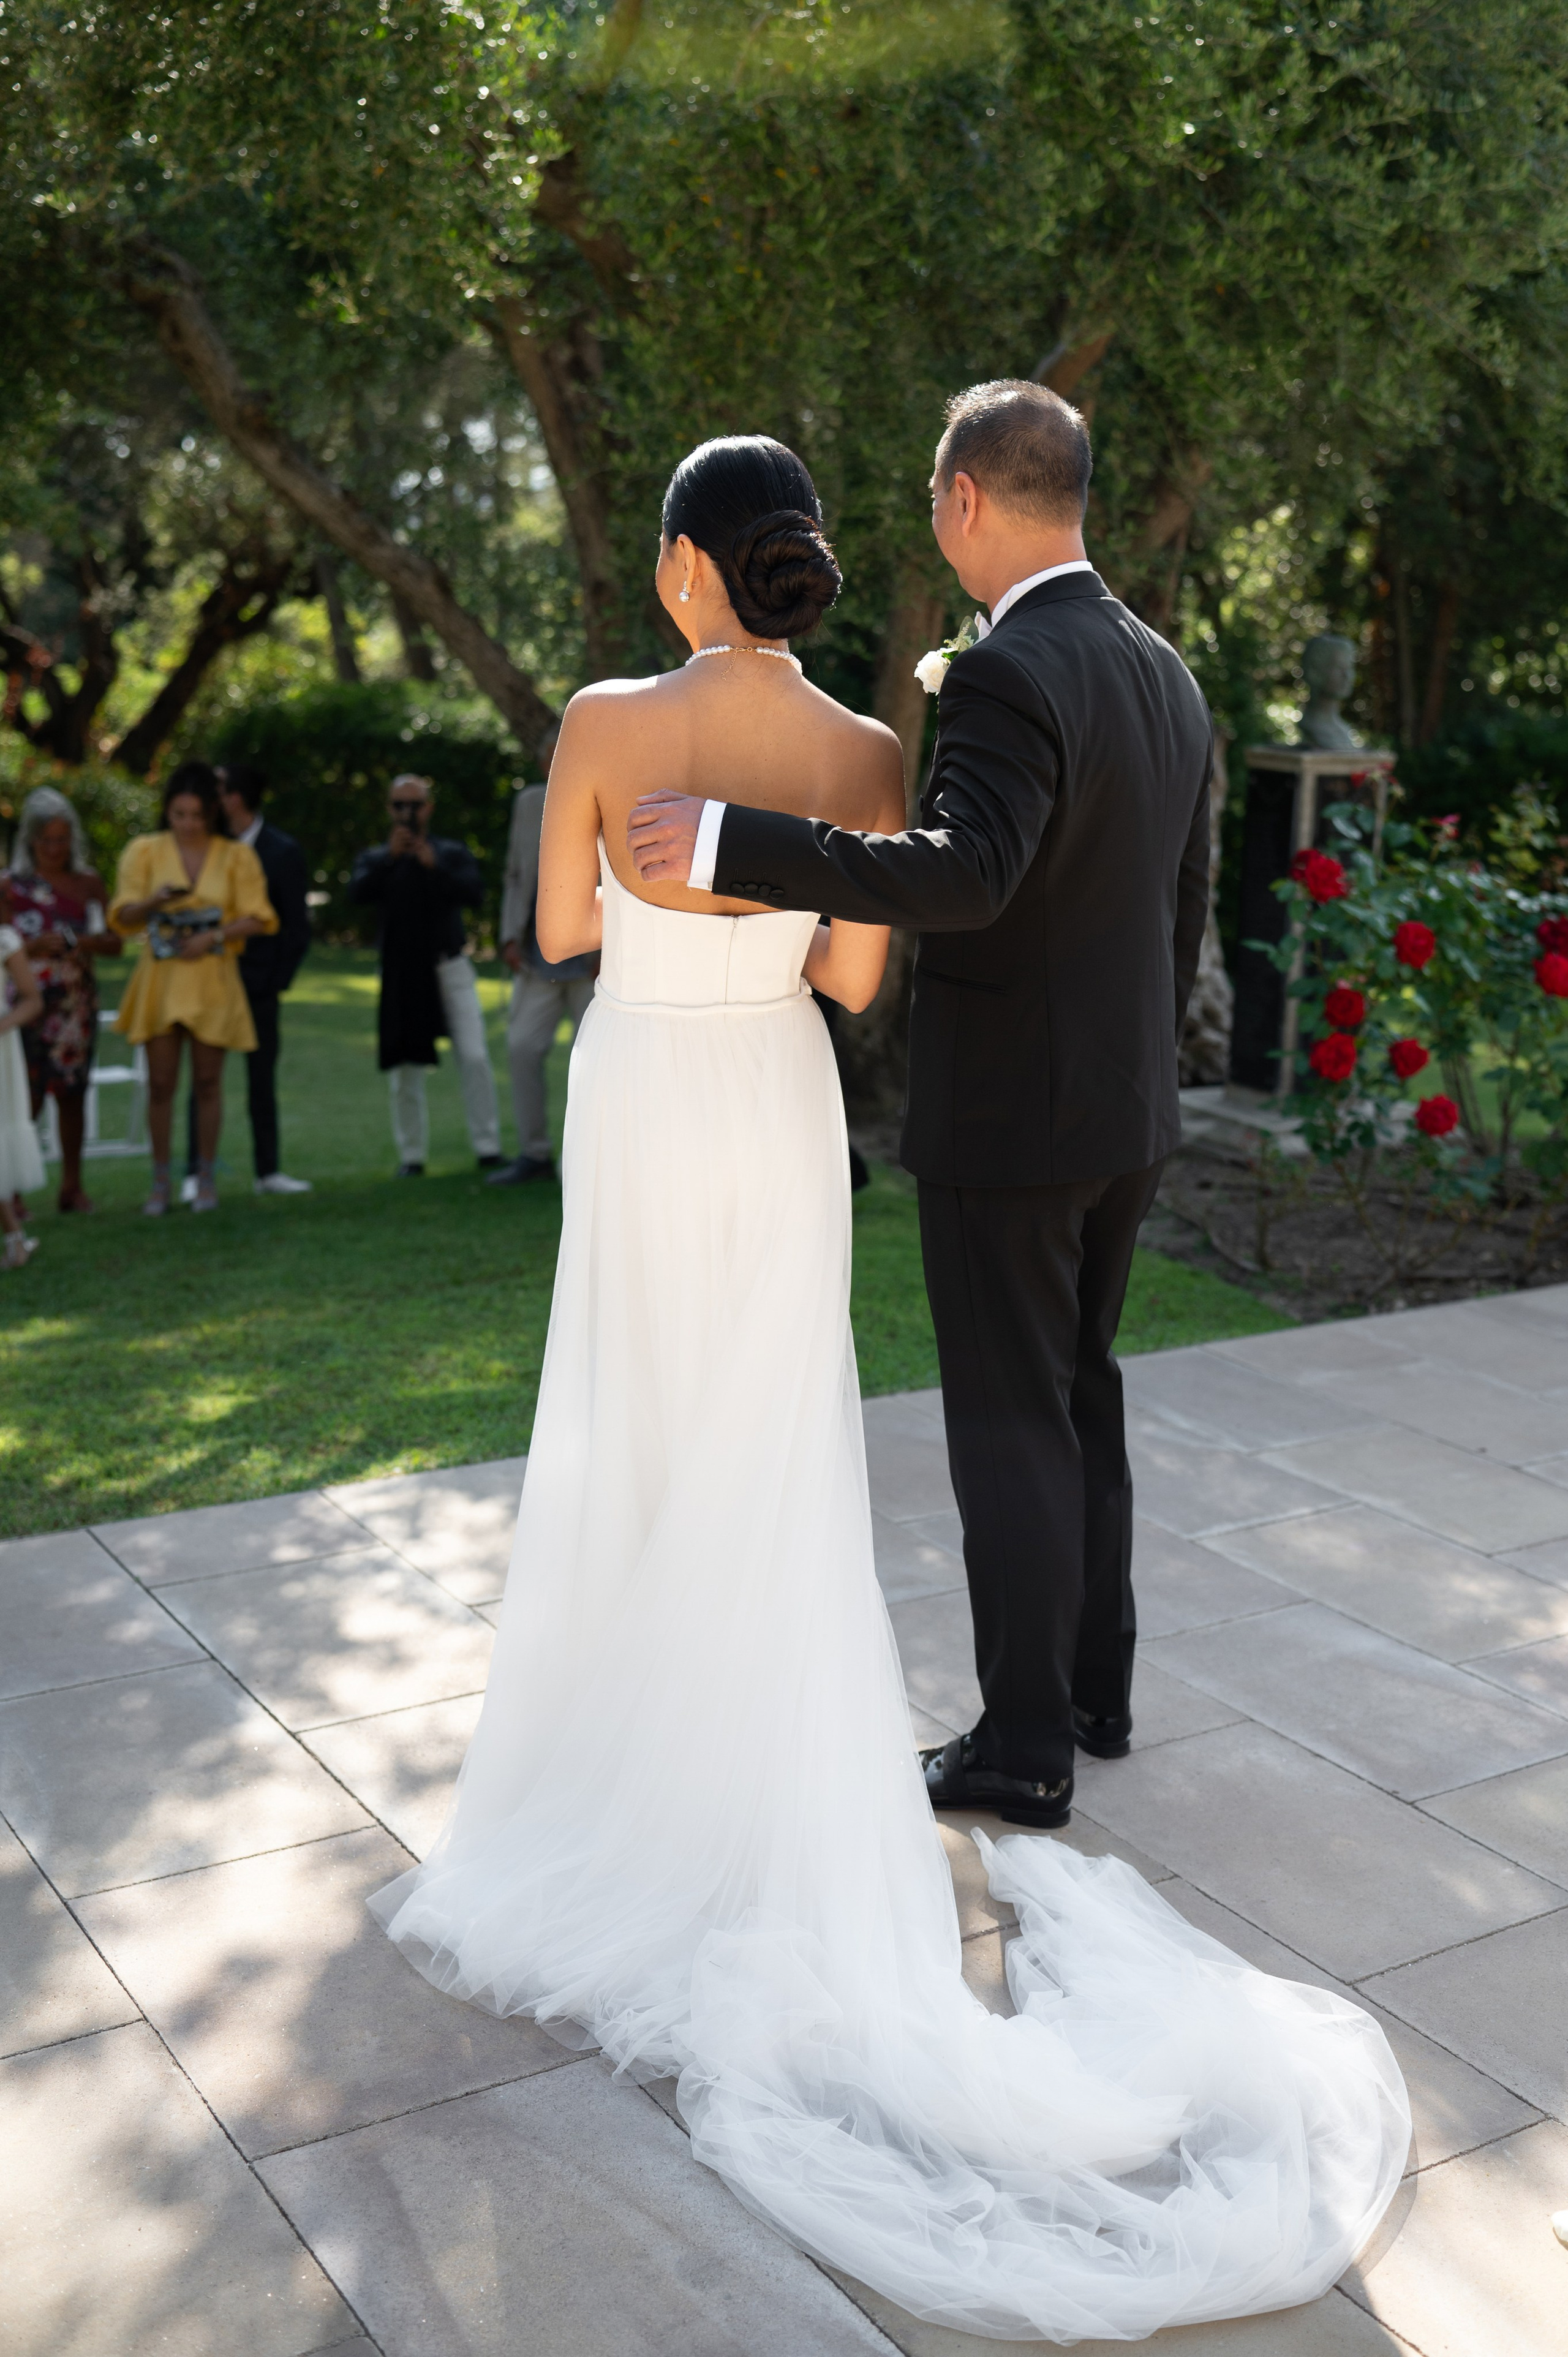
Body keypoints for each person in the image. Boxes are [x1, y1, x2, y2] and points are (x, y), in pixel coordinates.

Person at [372, 434, 1408, 2340]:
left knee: (635, 1427)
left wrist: (659, 885)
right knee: (778, 1436)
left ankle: (669, 1749)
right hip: (776, 1100)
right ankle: (956, 1715)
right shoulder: (874, 745)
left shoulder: (605, 716)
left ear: (689, 564)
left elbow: (560, 935)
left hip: (649, 1092)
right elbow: (859, 977)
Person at [629, 382, 1208, 1828]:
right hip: (1123, 1106)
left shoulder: (1010, 671)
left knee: (1012, 1414)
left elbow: (963, 872)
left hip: (1013, 1113)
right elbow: (1178, 902)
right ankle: (1093, 1685)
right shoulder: (1163, 669)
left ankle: (1019, 1745)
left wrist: (727, 837)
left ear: (962, 501)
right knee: (1080, 1389)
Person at [110, 760, 277, 1216]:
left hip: (211, 979)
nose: (187, 824)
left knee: (208, 1081)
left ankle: (205, 1177)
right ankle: (160, 1181)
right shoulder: (144, 851)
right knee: (161, 1083)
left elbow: (260, 917)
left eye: (197, 816)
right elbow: (122, 916)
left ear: (212, 814)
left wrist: (214, 936)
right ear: (167, 811)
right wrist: (153, 902)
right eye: (179, 814)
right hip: (161, 980)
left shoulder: (236, 856)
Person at [348, 775, 502, 1176]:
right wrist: (390, 859)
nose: (407, 814)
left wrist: (433, 866)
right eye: (399, 805)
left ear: (429, 808)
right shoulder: (377, 857)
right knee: (404, 1067)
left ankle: (489, 1147)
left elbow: (474, 893)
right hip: (402, 973)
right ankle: (411, 1156)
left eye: (414, 805)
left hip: (448, 966)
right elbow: (357, 894)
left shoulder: (450, 853)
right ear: (389, 809)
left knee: (474, 1055)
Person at [181, 763, 312, 1199]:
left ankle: (268, 1171)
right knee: (202, 1079)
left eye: (218, 791)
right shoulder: (207, 846)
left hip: (259, 985)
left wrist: (274, 981)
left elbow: (295, 926)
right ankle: (192, 1172)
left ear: (235, 797)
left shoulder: (282, 851)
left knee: (261, 1080)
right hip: (210, 980)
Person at [7, 785, 121, 1214]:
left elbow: (114, 941)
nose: (55, 848)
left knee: (72, 1094)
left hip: (75, 1005)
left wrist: (78, 941)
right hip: (26, 1001)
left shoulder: (87, 882)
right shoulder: (10, 887)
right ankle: (12, 1190)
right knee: (24, 1099)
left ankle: (72, 1187)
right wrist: (32, 950)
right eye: (46, 840)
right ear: (30, 841)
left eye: (62, 839)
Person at [486, 764, 597, 1186]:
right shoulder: (531, 801)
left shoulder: (613, 789)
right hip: (537, 957)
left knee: (593, 1060)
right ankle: (534, 1154)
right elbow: (515, 872)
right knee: (521, 1048)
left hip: (592, 961)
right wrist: (509, 935)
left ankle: (587, 1161)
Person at [0, 883, 45, 1266]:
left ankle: (15, 1239)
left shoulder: (5, 939)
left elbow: (32, 1000)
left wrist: (3, 1024)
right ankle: (15, 1239)